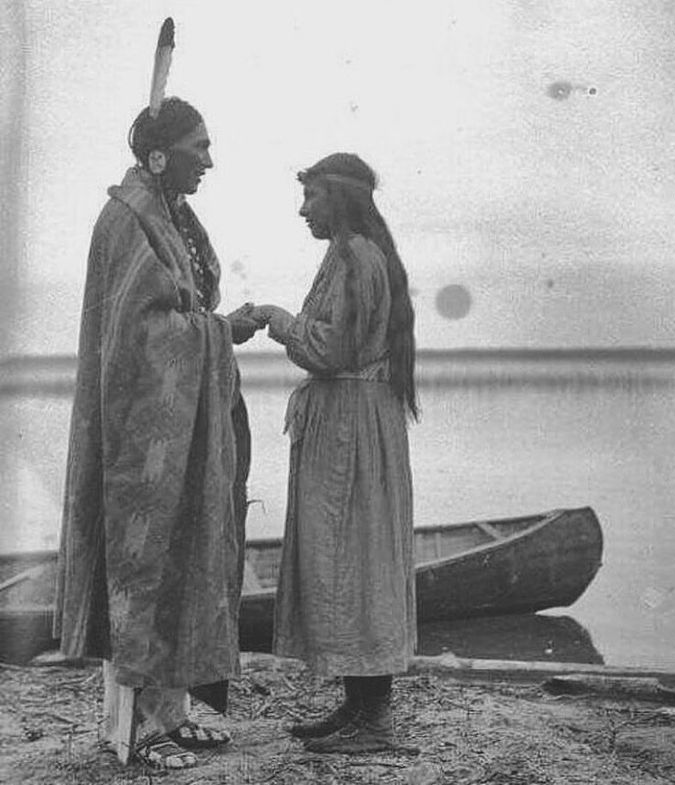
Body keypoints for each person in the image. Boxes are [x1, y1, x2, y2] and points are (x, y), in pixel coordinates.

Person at [53, 23, 262, 770]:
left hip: (180, 430)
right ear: (161, 154)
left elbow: (180, 309)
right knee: (144, 567)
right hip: (142, 437)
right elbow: (141, 332)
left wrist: (210, 328)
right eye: (200, 146)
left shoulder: (167, 216)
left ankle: (170, 710)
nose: (211, 159)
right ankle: (134, 729)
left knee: (184, 560)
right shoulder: (128, 220)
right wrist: (219, 329)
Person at [250, 153, 418, 754]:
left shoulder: (354, 257)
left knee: (356, 560)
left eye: (312, 196)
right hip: (353, 426)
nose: (303, 209)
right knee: (349, 560)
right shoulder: (354, 253)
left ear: (338, 199)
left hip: (352, 431)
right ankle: (358, 706)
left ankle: (375, 723)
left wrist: (276, 318)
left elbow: (333, 351)